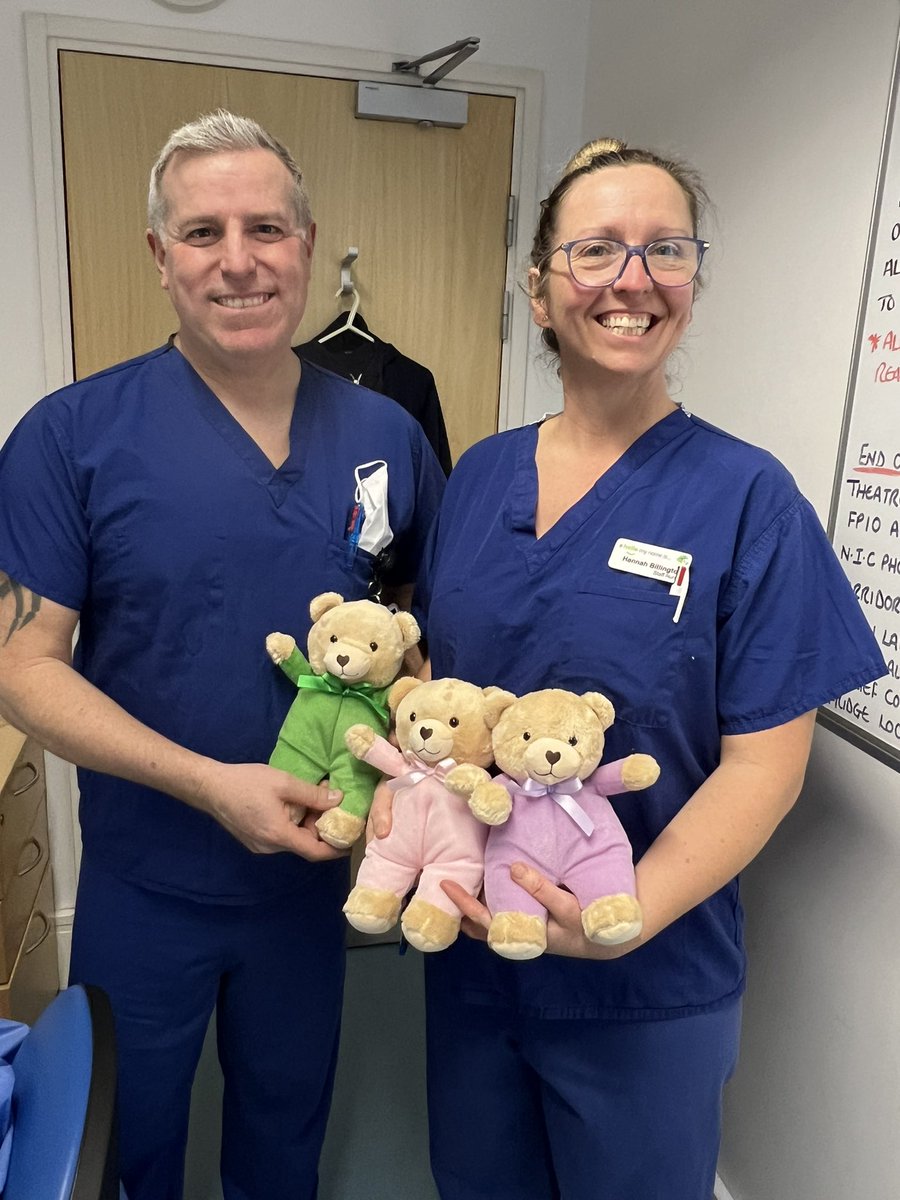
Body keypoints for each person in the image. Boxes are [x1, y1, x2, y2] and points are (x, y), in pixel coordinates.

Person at [411, 139, 887, 1200]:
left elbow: (765, 766)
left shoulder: (748, 498)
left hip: (647, 978)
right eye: (596, 251)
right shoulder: (482, 476)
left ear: (694, 280)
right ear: (538, 288)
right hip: (479, 961)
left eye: (664, 249)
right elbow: (450, 693)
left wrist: (624, 917)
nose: (633, 279)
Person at [0, 110, 444, 1200]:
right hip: (149, 882)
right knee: (130, 1142)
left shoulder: (384, 435)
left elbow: (421, 627)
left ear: (305, 242)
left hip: (308, 882)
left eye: (266, 228)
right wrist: (209, 786)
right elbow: (25, 664)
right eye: (202, 232)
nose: (238, 261)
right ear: (159, 257)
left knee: (286, 1128)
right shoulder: (70, 437)